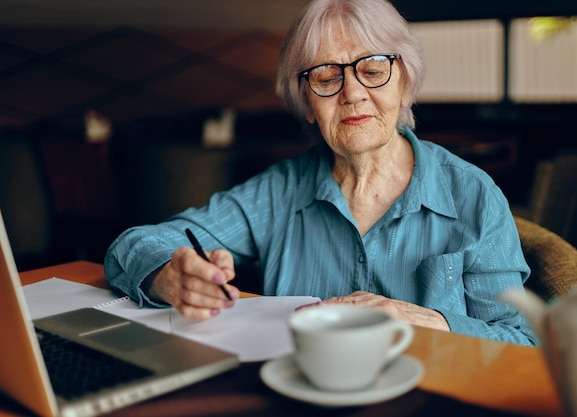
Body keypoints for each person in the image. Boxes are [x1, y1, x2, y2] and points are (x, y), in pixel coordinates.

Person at [104, 0, 537, 346]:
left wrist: (429, 320)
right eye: (326, 77)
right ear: (306, 103)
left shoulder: (472, 195)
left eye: (372, 70)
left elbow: (523, 343)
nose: (352, 93)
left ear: (404, 82)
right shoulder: (278, 192)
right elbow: (133, 245)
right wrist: (167, 275)